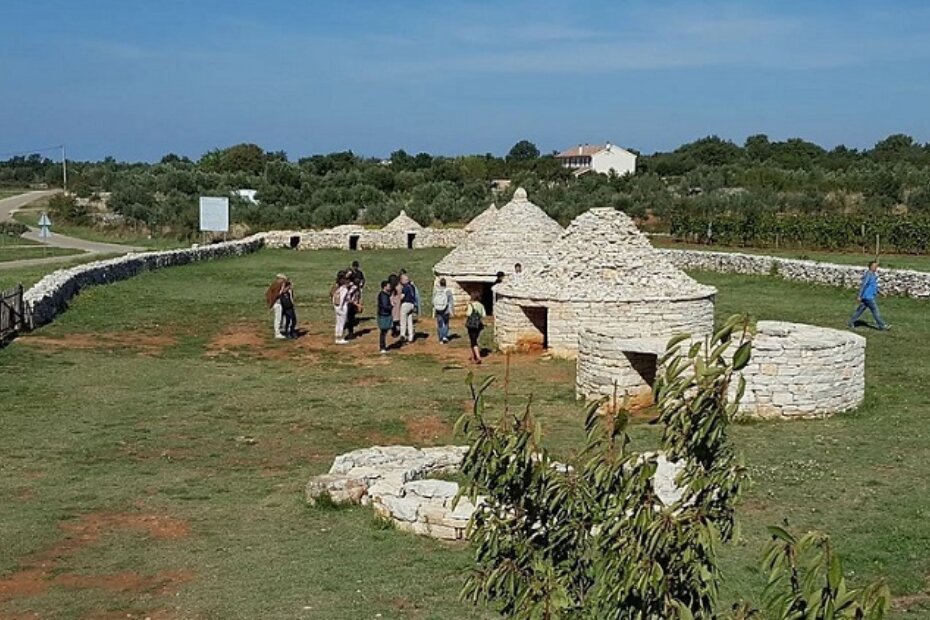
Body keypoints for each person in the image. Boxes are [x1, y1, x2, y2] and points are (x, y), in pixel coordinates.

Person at [848, 261, 890, 331]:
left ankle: (851, 322)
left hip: (868, 296)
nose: (876, 268)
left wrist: (880, 292)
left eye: (876, 266)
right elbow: (864, 285)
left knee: (859, 311)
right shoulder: (868, 275)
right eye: (874, 266)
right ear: (870, 267)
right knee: (875, 311)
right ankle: (882, 326)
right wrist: (859, 295)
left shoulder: (873, 275)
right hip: (868, 297)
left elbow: (873, 286)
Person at [464, 291, 487, 364]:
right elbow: (483, 315)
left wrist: (466, 309)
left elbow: (468, 314)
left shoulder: (471, 305)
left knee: (473, 341)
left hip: (472, 325)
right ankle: (473, 355)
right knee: (474, 339)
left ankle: (478, 357)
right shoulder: (481, 305)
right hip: (478, 325)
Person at [265, 274, 288, 339]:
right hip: (277, 304)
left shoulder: (274, 284)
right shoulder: (277, 285)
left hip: (276, 303)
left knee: (279, 318)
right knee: (278, 318)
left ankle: (279, 331)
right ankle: (277, 333)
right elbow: (277, 294)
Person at [432, 278, 454, 344]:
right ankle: (445, 336)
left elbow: (433, 301)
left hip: (438, 310)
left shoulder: (436, 291)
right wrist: (451, 311)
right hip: (446, 310)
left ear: (440, 283)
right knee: (446, 323)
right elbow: (451, 302)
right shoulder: (448, 291)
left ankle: (440, 339)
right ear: (445, 283)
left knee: (440, 324)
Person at [399, 273, 418, 343]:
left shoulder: (405, 287)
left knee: (403, 321)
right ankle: (411, 336)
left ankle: (402, 335)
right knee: (410, 321)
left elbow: (402, 297)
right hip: (412, 304)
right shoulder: (412, 287)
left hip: (405, 304)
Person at [377, 280, 393, 353]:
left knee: (385, 331)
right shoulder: (383, 296)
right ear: (384, 287)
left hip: (384, 314)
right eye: (388, 286)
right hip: (384, 315)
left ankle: (383, 346)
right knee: (383, 331)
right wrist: (391, 306)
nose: (390, 287)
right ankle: (382, 347)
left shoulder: (385, 295)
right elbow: (385, 306)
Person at [332, 276, 350, 344]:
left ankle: (337, 337)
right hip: (342, 308)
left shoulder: (338, 289)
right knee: (342, 323)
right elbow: (342, 299)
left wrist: (336, 307)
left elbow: (334, 298)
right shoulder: (345, 289)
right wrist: (341, 308)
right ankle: (340, 338)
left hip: (337, 307)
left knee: (338, 323)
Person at [345, 273, 362, 339]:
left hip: (353, 305)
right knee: (350, 319)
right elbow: (348, 297)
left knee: (351, 319)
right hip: (351, 305)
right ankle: (350, 333)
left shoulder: (357, 288)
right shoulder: (354, 288)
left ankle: (351, 332)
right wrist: (357, 304)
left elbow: (358, 297)